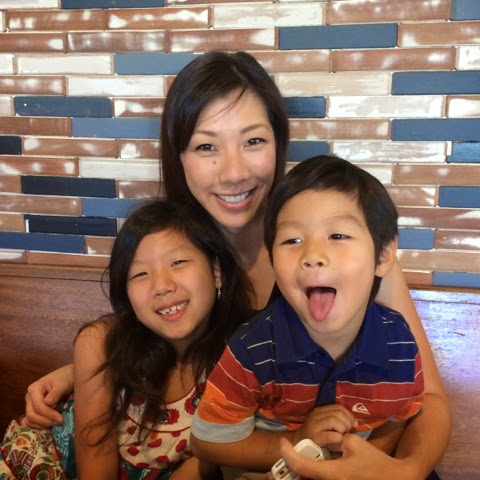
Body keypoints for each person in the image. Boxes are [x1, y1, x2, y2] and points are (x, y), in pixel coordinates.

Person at [20, 51, 450, 479]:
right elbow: (161, 347)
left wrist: (407, 471)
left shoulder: (345, 255)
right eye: (206, 146)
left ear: (279, 143)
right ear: (178, 156)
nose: (232, 173)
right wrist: (81, 372)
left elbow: (428, 398)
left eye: (253, 141)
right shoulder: (177, 256)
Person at [190, 155, 425, 478]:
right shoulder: (252, 349)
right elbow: (207, 443)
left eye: (338, 236)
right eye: (292, 240)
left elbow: (401, 415)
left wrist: (368, 462)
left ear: (383, 254)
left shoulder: (399, 343)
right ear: (272, 259)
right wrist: (298, 440)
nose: (313, 255)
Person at [1, 199, 252, 479]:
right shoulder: (100, 343)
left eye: (178, 262)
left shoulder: (245, 359)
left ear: (216, 271)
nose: (161, 286)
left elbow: (207, 461)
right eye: (140, 273)